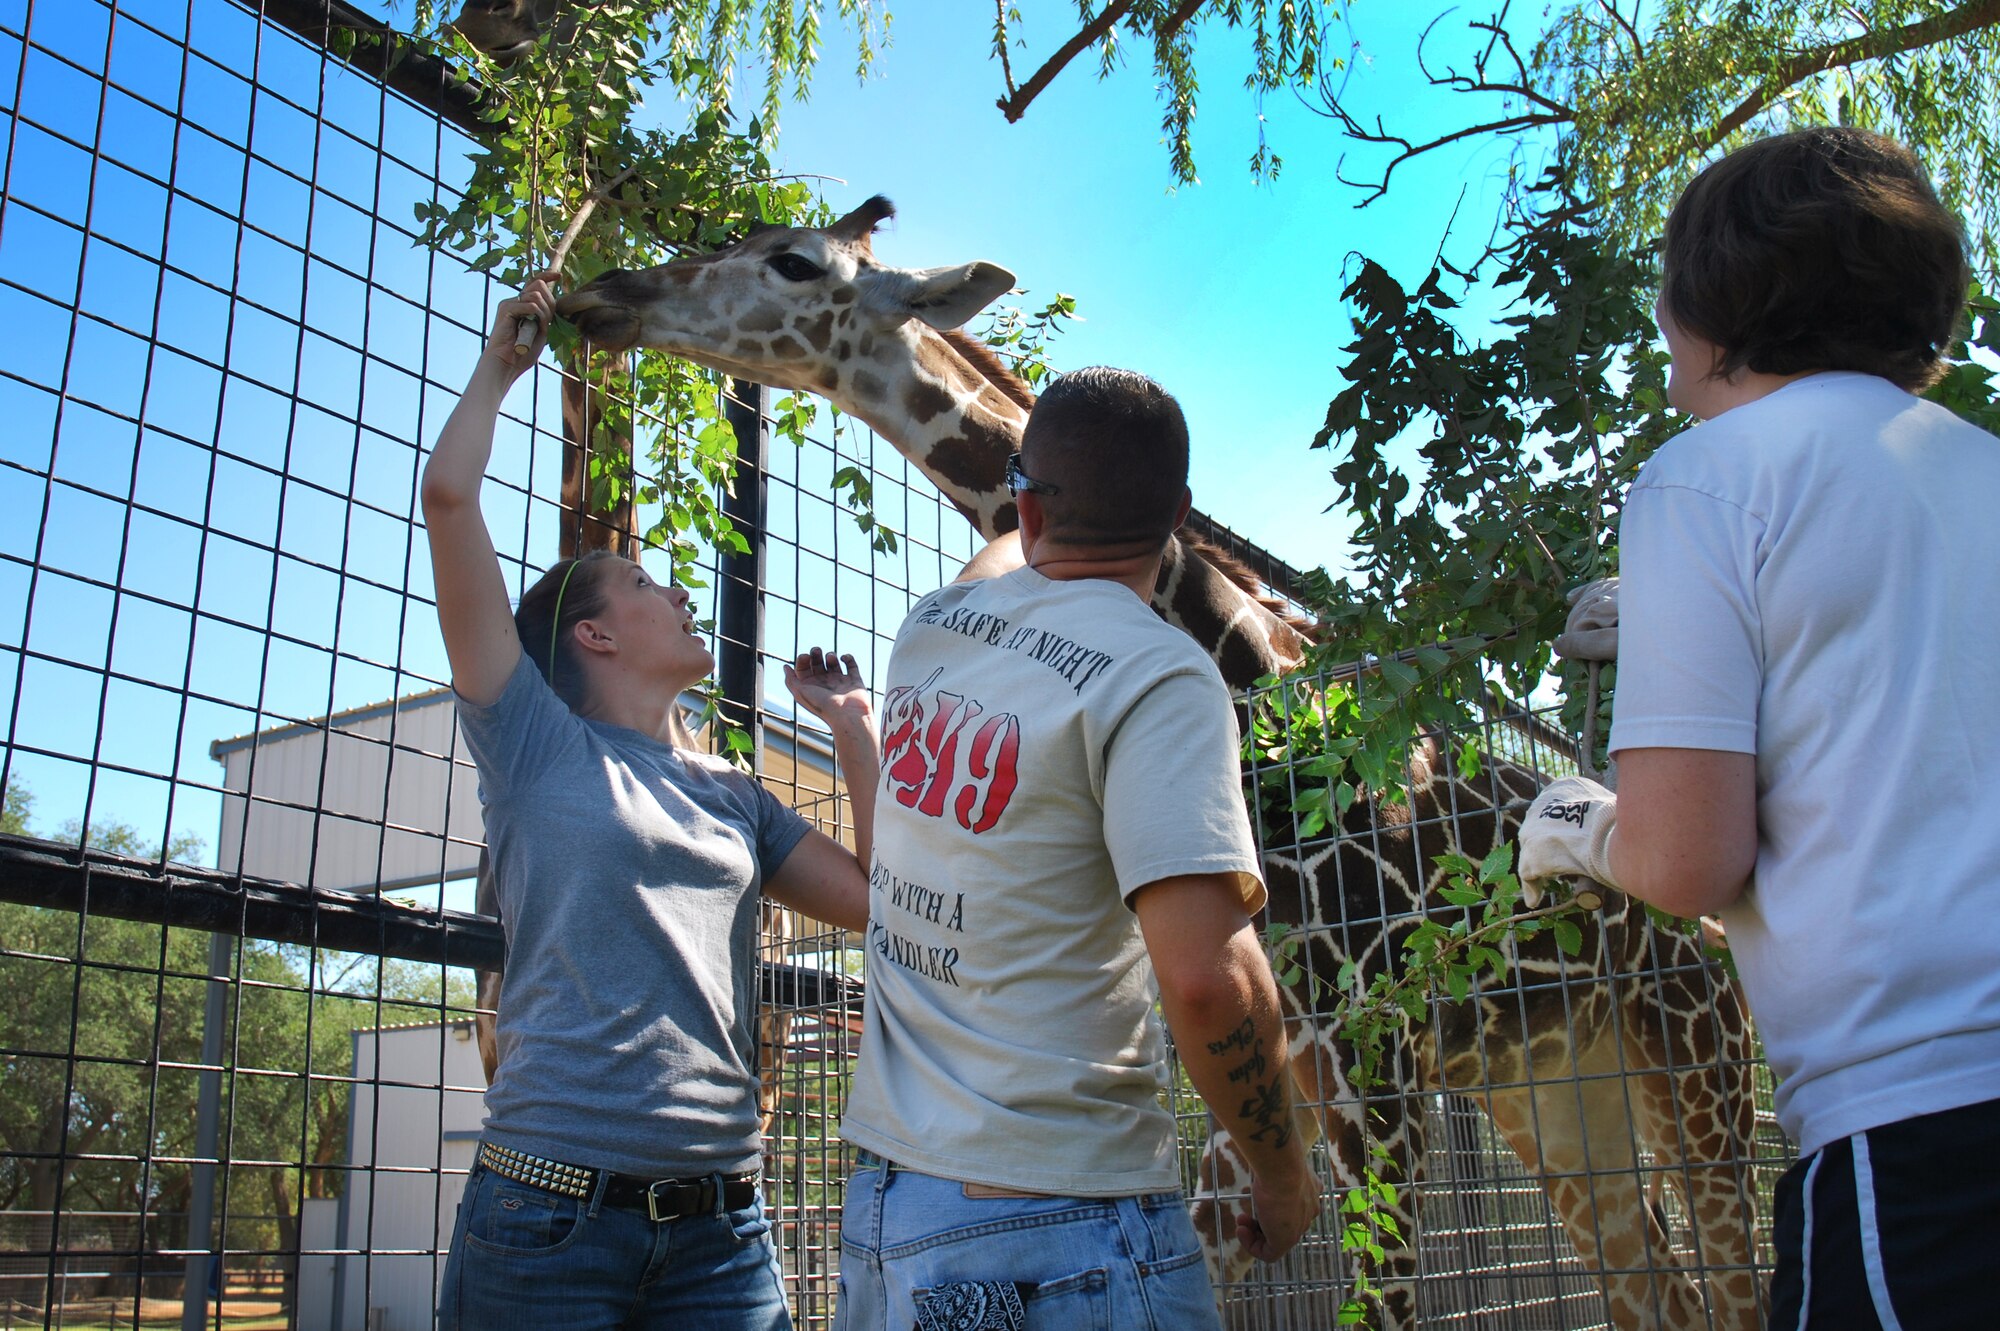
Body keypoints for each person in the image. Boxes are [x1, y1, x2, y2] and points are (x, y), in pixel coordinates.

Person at [1518, 127, 2000, 1330]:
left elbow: (1687, 860)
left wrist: (1576, 826)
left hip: (1919, 1117)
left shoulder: (1702, 478)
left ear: (1711, 304)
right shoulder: (1984, 469)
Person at [422, 273, 880, 1331]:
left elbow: (878, 895)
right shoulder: (532, 739)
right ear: (592, 634)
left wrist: (851, 725)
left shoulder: (734, 791)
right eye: (640, 584)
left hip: (723, 1236)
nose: (675, 591)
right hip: (547, 1222)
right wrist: (502, 369)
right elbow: (450, 499)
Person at [833, 367, 1320, 1331]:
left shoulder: (928, 633)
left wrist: (1036, 494)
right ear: (1179, 515)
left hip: (891, 1207)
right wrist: (1284, 1172)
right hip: (1066, 1224)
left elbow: (1004, 553)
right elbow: (1206, 981)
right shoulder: (1162, 674)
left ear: (1027, 500)